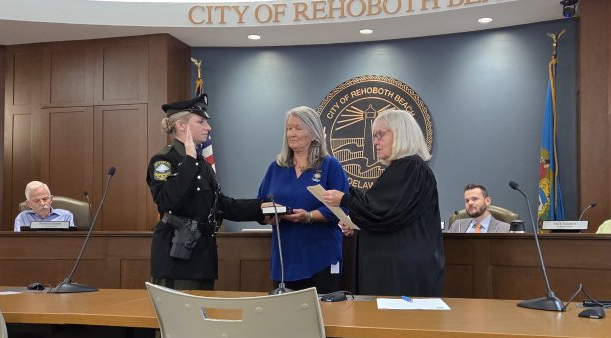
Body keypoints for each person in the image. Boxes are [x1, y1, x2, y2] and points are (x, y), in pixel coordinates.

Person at [146, 93, 263, 291]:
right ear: (181, 125)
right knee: (179, 320)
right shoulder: (164, 161)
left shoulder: (201, 163)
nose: (208, 127)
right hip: (176, 258)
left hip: (202, 257)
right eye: (201, 121)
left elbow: (220, 205)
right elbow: (168, 201)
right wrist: (189, 161)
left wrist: (262, 208)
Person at [322, 109, 444, 297]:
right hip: (397, 265)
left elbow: (381, 213)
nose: (375, 142)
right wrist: (356, 225)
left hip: (400, 271)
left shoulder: (410, 168)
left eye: (380, 135)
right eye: (374, 136)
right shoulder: (407, 169)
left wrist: (345, 199)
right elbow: (389, 215)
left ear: (401, 134)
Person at [257, 106, 349, 293]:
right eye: (289, 128)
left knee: (321, 316)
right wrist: (268, 216)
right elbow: (259, 203)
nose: (291, 133)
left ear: (314, 134)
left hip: (320, 257)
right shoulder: (276, 168)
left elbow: (342, 207)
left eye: (298, 128)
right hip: (284, 260)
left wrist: (309, 216)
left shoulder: (330, 166)